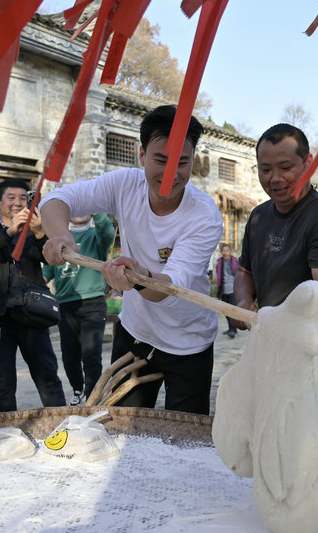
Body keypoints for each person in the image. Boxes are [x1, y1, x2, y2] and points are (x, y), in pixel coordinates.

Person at [39, 105, 223, 415]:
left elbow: (169, 287)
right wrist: (60, 236)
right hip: (136, 335)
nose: (170, 174)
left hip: (189, 342)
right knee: (120, 429)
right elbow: (57, 200)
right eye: (160, 160)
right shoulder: (125, 184)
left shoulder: (204, 216)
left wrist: (137, 277)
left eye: (182, 163)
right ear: (141, 155)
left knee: (186, 443)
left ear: (194, 161)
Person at [233, 123, 318, 432]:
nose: (274, 178)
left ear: (308, 164)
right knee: (278, 447)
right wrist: (242, 303)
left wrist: (269, 318)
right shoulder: (259, 217)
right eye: (265, 169)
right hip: (276, 352)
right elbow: (244, 271)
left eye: (285, 167)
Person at [0, 179, 66, 412]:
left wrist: (39, 233)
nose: (17, 203)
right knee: (2, 382)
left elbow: (50, 259)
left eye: (23, 198)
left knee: (48, 376)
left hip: (31, 313)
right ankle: (5, 437)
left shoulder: (36, 227)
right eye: (11, 198)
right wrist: (9, 231)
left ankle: (63, 426)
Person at [42, 213, 115, 406]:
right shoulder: (59, 240)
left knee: (91, 355)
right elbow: (48, 269)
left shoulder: (95, 236)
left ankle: (93, 398)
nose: (80, 211)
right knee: (69, 355)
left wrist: (95, 206)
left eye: (85, 207)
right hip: (66, 305)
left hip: (93, 303)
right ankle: (78, 389)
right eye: (75, 207)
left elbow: (107, 231)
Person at [215, 243, 239, 338]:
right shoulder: (219, 263)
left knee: (232, 311)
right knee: (225, 311)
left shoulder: (236, 261)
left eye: (227, 250)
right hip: (224, 290)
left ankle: (233, 330)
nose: (226, 253)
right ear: (221, 252)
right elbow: (219, 277)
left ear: (230, 251)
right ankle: (231, 328)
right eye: (224, 251)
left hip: (234, 290)